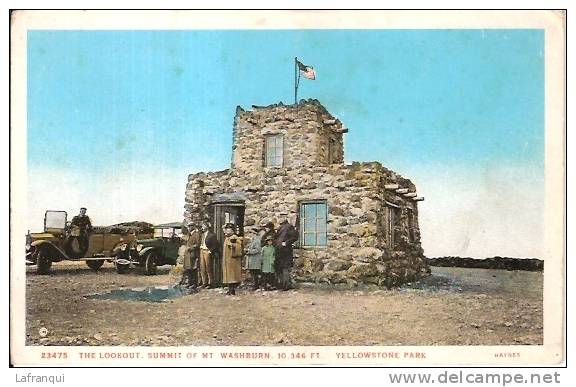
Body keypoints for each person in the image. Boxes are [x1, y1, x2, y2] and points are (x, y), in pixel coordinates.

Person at [274, 213, 298, 290]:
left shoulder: (289, 227)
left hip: (285, 251)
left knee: (285, 268)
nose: (279, 219)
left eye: (281, 217)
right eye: (279, 217)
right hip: (279, 250)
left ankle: (286, 285)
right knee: (280, 267)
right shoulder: (280, 227)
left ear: (285, 218)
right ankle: (283, 283)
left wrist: (286, 243)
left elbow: (295, 237)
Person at [222, 223, 243, 296]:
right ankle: (230, 289)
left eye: (229, 229)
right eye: (226, 229)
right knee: (229, 275)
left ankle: (232, 289)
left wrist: (233, 246)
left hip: (232, 260)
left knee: (232, 275)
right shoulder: (227, 238)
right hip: (227, 260)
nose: (227, 231)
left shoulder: (235, 237)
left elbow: (239, 247)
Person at [199, 222, 218, 288]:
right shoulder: (202, 235)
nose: (202, 227)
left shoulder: (212, 235)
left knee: (208, 267)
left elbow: (215, 245)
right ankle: (204, 282)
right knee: (202, 267)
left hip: (207, 251)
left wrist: (210, 251)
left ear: (207, 226)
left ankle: (210, 283)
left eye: (203, 226)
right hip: (201, 251)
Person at [245, 225, 264, 290]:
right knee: (253, 273)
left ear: (255, 234)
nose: (250, 234)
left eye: (251, 233)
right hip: (252, 259)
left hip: (255, 259)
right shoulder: (252, 240)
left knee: (255, 273)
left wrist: (249, 251)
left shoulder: (257, 240)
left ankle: (256, 285)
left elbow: (258, 249)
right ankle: (255, 285)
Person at [181, 222, 200, 288]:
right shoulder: (189, 235)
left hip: (193, 254)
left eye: (190, 227)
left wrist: (191, 248)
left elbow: (198, 244)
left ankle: (194, 284)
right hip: (188, 254)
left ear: (193, 227)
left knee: (193, 269)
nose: (188, 228)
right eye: (188, 227)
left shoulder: (196, 234)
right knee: (188, 269)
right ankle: (190, 283)